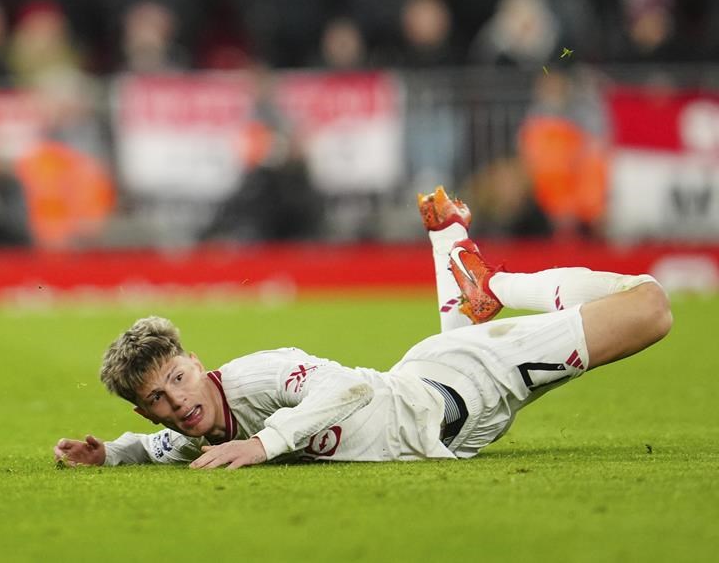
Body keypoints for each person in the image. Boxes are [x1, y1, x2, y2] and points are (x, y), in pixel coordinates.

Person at [54, 187, 672, 468]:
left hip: (470, 389)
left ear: (196, 360)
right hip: (428, 382)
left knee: (650, 306)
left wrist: (263, 445)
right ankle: (455, 253)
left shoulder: (257, 375)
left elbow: (345, 389)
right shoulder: (193, 432)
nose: (177, 401)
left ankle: (498, 288)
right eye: (157, 399)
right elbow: (157, 448)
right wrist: (106, 453)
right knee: (456, 339)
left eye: (178, 378)